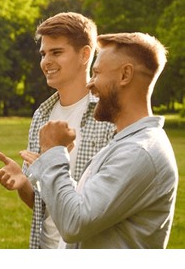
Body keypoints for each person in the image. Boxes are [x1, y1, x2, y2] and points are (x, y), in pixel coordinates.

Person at [28, 32, 177, 248]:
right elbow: (82, 208)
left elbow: (74, 223)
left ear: (125, 75)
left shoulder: (138, 152)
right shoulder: (124, 143)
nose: (90, 84)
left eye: (96, 73)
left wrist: (53, 151)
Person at [0, 12, 115, 249]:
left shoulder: (108, 115)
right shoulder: (42, 115)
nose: (46, 61)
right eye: (43, 54)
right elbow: (42, 204)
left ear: (85, 54)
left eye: (56, 52)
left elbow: (104, 205)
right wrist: (23, 183)